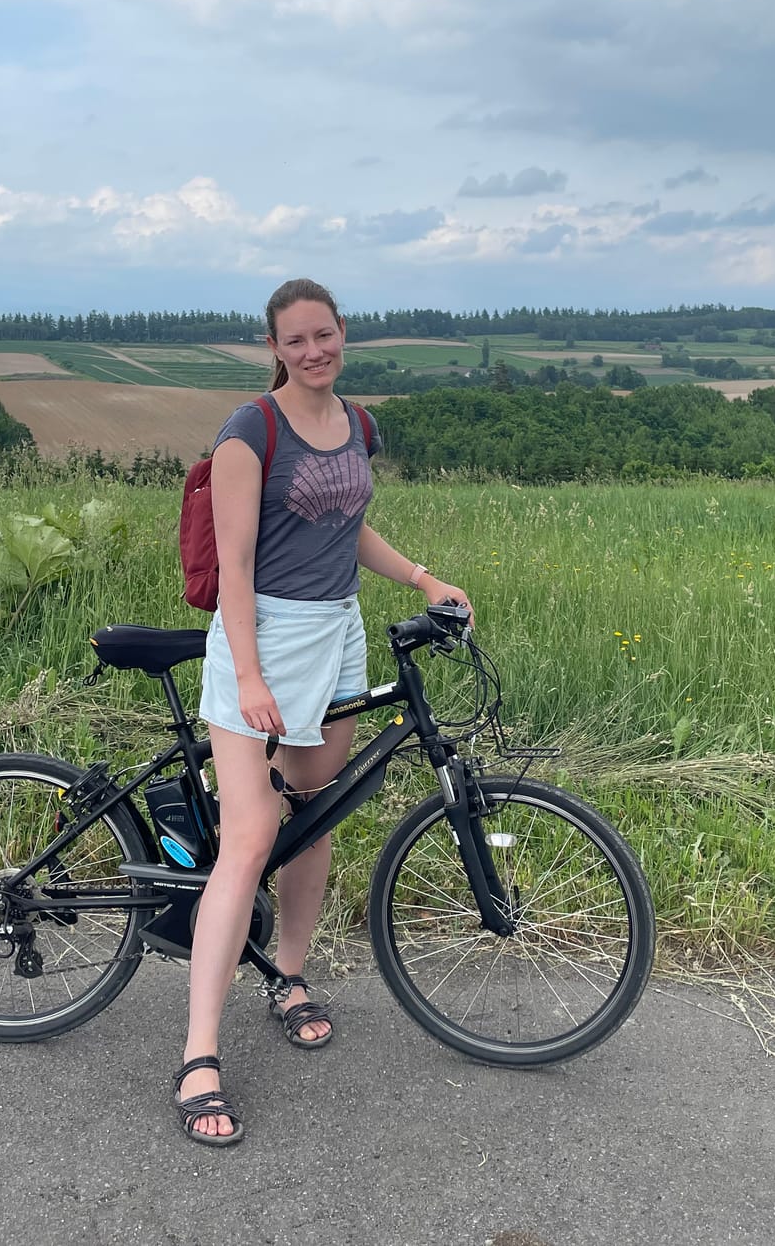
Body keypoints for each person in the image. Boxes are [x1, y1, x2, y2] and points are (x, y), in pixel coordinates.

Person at [173, 277, 471, 1146]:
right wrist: (253, 679)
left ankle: (289, 976)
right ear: (275, 347)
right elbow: (233, 565)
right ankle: (198, 1054)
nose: (314, 351)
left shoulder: (356, 424)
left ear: (344, 335)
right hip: (259, 638)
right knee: (251, 839)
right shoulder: (249, 433)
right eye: (296, 340)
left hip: (336, 633)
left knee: (316, 811)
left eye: (325, 335)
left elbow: (349, 530)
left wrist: (422, 578)